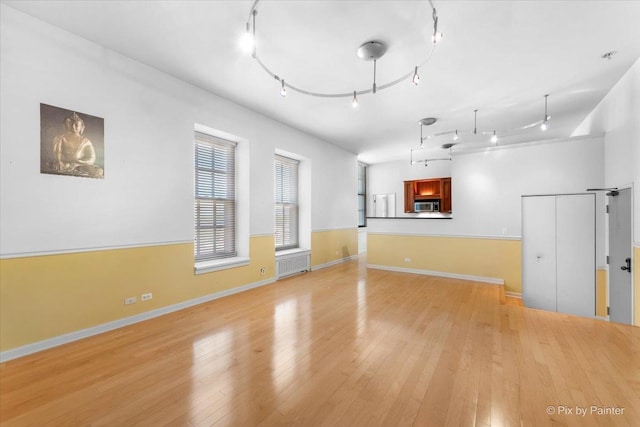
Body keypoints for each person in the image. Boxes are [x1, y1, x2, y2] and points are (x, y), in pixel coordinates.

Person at [53, 112, 103, 178]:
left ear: (81, 127)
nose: (73, 127)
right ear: (66, 125)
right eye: (71, 124)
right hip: (66, 164)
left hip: (81, 164)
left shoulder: (86, 141)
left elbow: (92, 158)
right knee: (60, 167)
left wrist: (77, 163)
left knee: (98, 171)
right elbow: (57, 152)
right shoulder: (61, 138)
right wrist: (58, 161)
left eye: (76, 125)